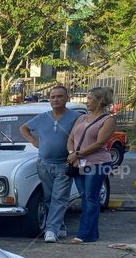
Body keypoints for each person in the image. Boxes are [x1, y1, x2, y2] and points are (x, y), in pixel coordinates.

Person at [20, 85, 83, 242]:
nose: (56, 100)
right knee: (48, 197)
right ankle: (59, 226)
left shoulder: (75, 117)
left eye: (59, 96)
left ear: (66, 98)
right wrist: (34, 141)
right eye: (53, 97)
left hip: (64, 164)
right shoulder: (43, 117)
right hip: (44, 164)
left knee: (59, 198)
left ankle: (51, 230)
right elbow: (24, 128)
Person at [67, 87, 116, 244]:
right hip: (78, 162)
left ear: (100, 100)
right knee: (85, 197)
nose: (86, 101)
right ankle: (91, 233)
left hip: (97, 162)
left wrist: (77, 154)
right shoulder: (82, 118)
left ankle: (85, 234)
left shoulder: (108, 120)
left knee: (91, 197)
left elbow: (100, 143)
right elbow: (71, 137)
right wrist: (71, 153)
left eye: (89, 98)